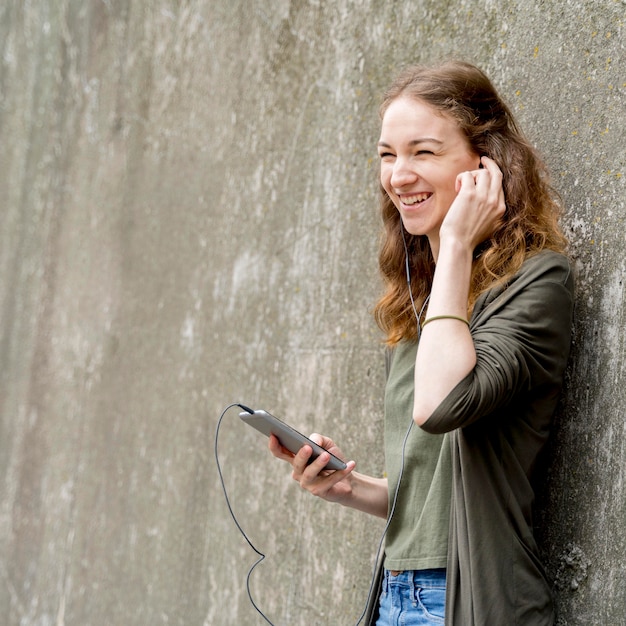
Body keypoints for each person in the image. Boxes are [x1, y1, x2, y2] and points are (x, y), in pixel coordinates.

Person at [269, 59, 574, 626]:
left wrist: (456, 243)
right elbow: (427, 495)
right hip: (396, 598)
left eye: (424, 152)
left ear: (487, 164)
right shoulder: (421, 303)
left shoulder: (536, 284)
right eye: (388, 155)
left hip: (470, 603)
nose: (399, 175)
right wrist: (346, 487)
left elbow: (439, 406)